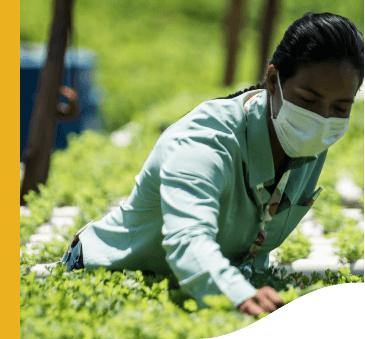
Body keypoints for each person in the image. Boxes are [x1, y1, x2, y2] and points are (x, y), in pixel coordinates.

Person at [30, 12, 364, 318]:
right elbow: (187, 237)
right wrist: (238, 294)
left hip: (193, 285)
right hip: (108, 278)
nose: (322, 120)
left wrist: (253, 285)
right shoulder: (205, 140)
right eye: (308, 100)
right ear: (273, 80)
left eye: (340, 107)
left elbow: (257, 233)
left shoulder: (309, 141)